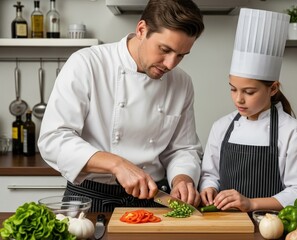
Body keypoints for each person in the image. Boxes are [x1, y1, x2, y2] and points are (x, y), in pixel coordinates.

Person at [38, 0, 204, 212]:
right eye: (165, 49)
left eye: (181, 55)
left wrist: (182, 179)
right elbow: (53, 139)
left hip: (151, 198)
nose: (171, 64)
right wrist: (116, 164)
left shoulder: (181, 82)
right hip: (89, 198)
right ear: (142, 30)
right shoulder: (87, 64)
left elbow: (182, 148)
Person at [199, 8, 297, 212]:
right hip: (226, 223)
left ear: (273, 89)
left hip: (272, 223)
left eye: (249, 91)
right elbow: (210, 174)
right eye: (233, 89)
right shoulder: (221, 126)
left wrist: (252, 204)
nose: (239, 99)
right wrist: (208, 187)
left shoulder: (292, 131)